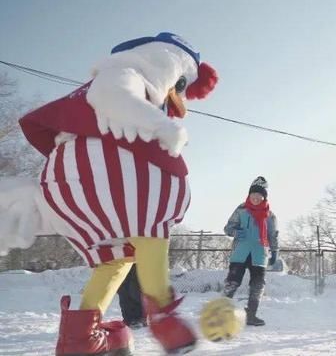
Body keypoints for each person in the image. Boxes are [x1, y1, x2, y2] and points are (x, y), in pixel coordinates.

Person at [16, 32, 218, 355]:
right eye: (179, 84)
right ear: (166, 61)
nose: (177, 95)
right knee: (154, 211)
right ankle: (164, 316)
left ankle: (79, 338)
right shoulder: (128, 69)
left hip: (78, 185)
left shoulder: (140, 82)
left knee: (117, 258)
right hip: (99, 174)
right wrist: (162, 126)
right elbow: (112, 95)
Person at [222, 176, 279, 326]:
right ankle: (221, 312)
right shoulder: (241, 210)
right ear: (249, 195)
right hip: (240, 253)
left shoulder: (270, 216)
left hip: (260, 255)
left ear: (264, 197)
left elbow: (273, 235)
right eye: (253, 195)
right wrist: (235, 232)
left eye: (259, 195)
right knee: (232, 282)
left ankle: (251, 315)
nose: (255, 198)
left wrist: (275, 251)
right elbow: (227, 228)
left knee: (257, 285)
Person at [116, 265, 146, 329]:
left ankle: (139, 318)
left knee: (134, 287)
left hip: (136, 259)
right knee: (123, 288)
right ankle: (129, 319)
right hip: (123, 260)